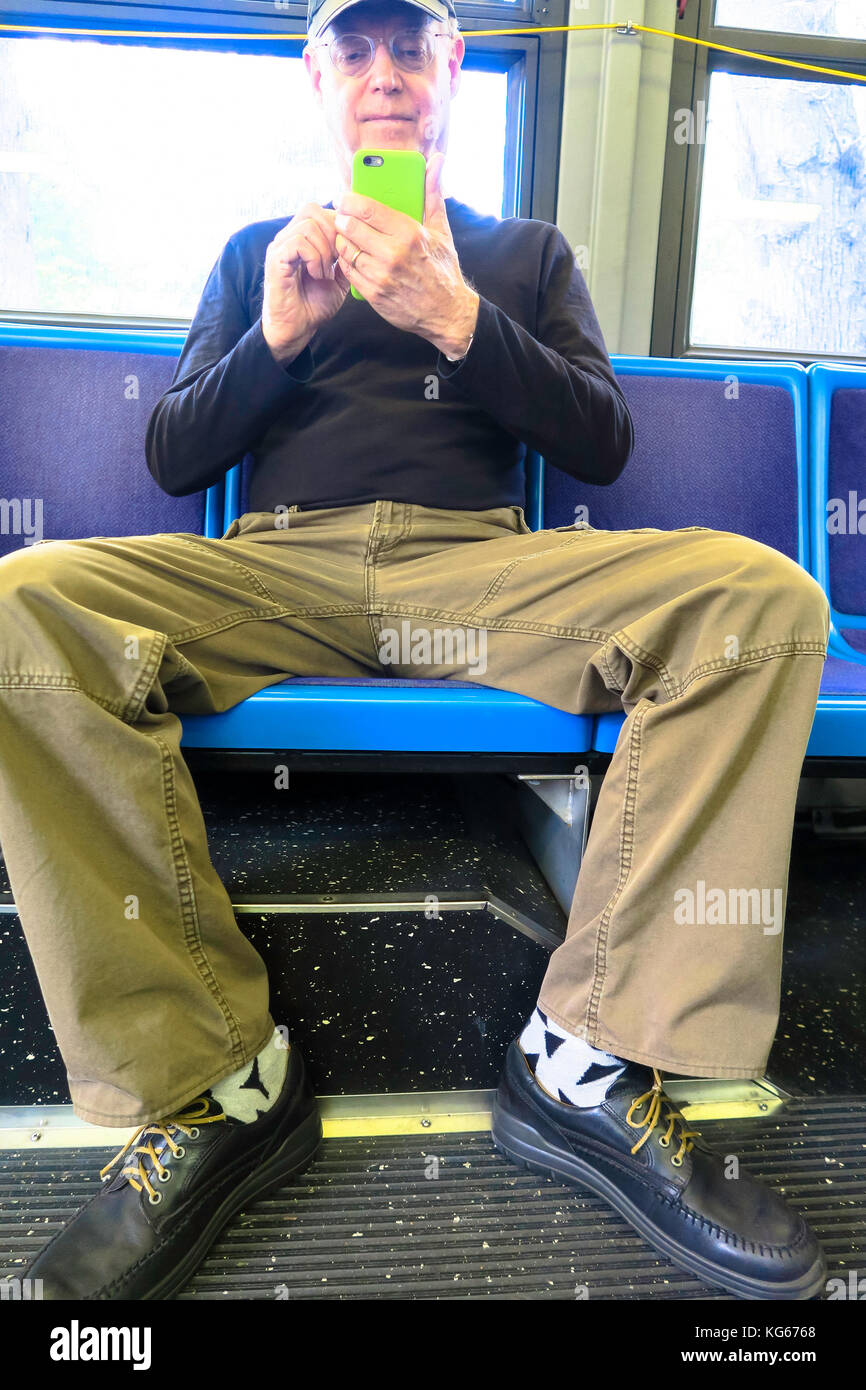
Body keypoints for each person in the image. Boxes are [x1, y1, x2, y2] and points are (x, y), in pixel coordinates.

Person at [13, 0, 830, 1301]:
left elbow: (599, 442)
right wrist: (277, 337)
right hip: (278, 564)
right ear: (317, 75)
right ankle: (216, 1073)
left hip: (485, 564)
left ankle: (587, 1052)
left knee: (760, 598)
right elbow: (175, 459)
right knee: (21, 604)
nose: (384, 75)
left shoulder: (523, 254)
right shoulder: (251, 252)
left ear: (452, 70)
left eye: (412, 48)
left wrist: (461, 322)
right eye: (356, 48)